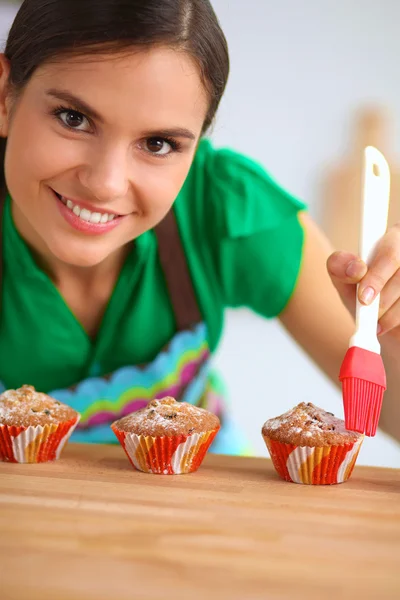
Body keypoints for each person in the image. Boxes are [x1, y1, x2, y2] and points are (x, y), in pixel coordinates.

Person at [0, 0, 399, 454]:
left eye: (158, 143)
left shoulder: (225, 205)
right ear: (4, 96)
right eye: (74, 118)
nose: (105, 184)